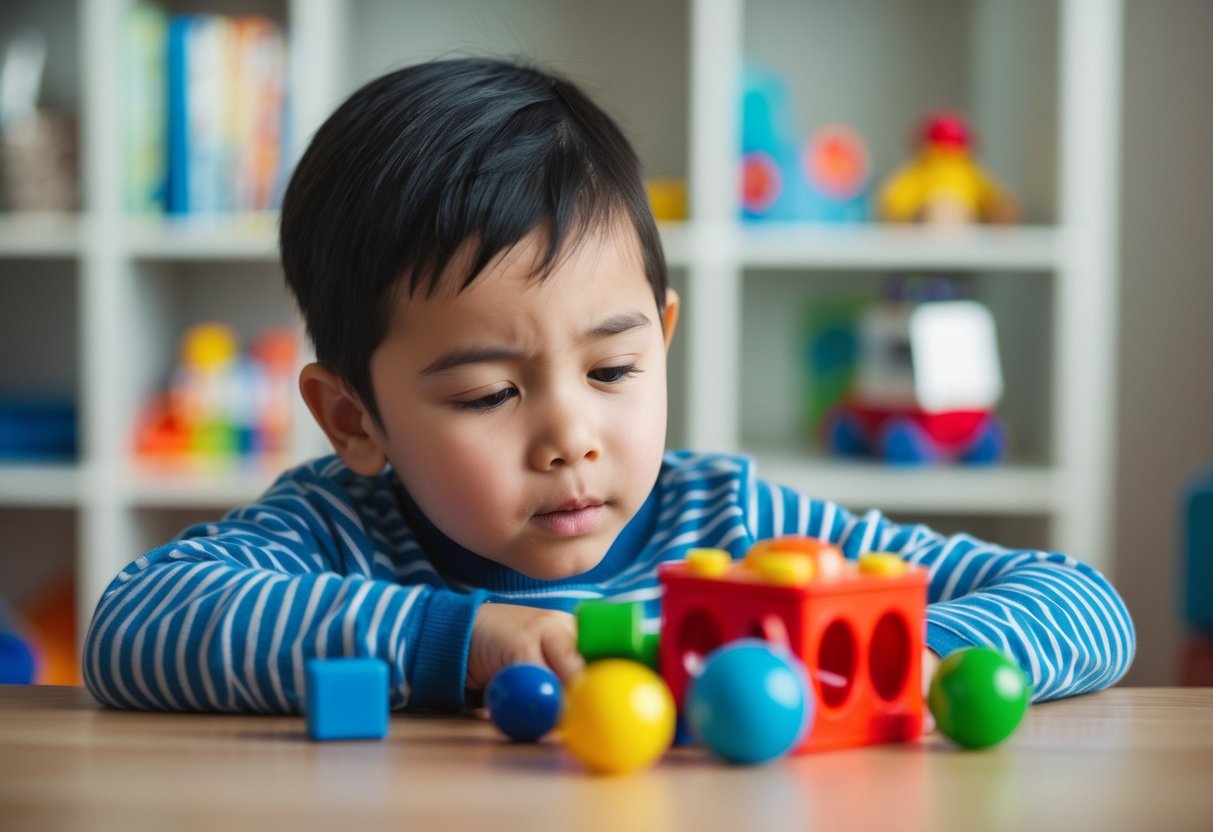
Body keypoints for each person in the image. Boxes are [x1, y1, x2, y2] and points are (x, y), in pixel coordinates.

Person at [82, 58, 1134, 713]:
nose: (570, 437)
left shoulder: (731, 519)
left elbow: (1081, 601)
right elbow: (130, 629)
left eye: (614, 368)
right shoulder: (338, 533)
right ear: (354, 418)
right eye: (489, 394)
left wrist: (885, 655)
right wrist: (465, 640)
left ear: (663, 341)